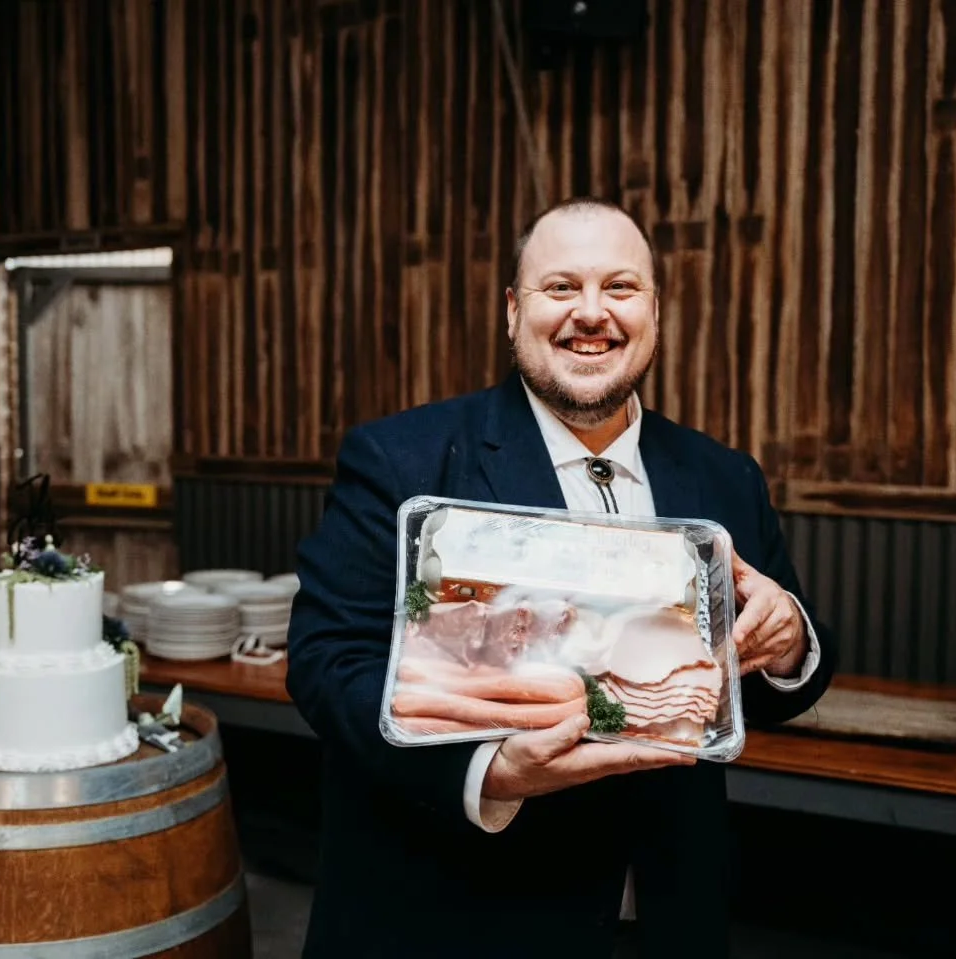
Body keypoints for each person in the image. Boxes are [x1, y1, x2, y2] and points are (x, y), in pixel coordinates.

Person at [285, 196, 836, 958]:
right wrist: (488, 770)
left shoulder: (722, 477)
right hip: (464, 912)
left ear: (652, 310)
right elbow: (326, 662)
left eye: (618, 287)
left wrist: (787, 639)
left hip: (669, 910)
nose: (591, 312)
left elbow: (785, 673)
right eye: (559, 287)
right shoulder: (401, 459)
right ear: (513, 312)